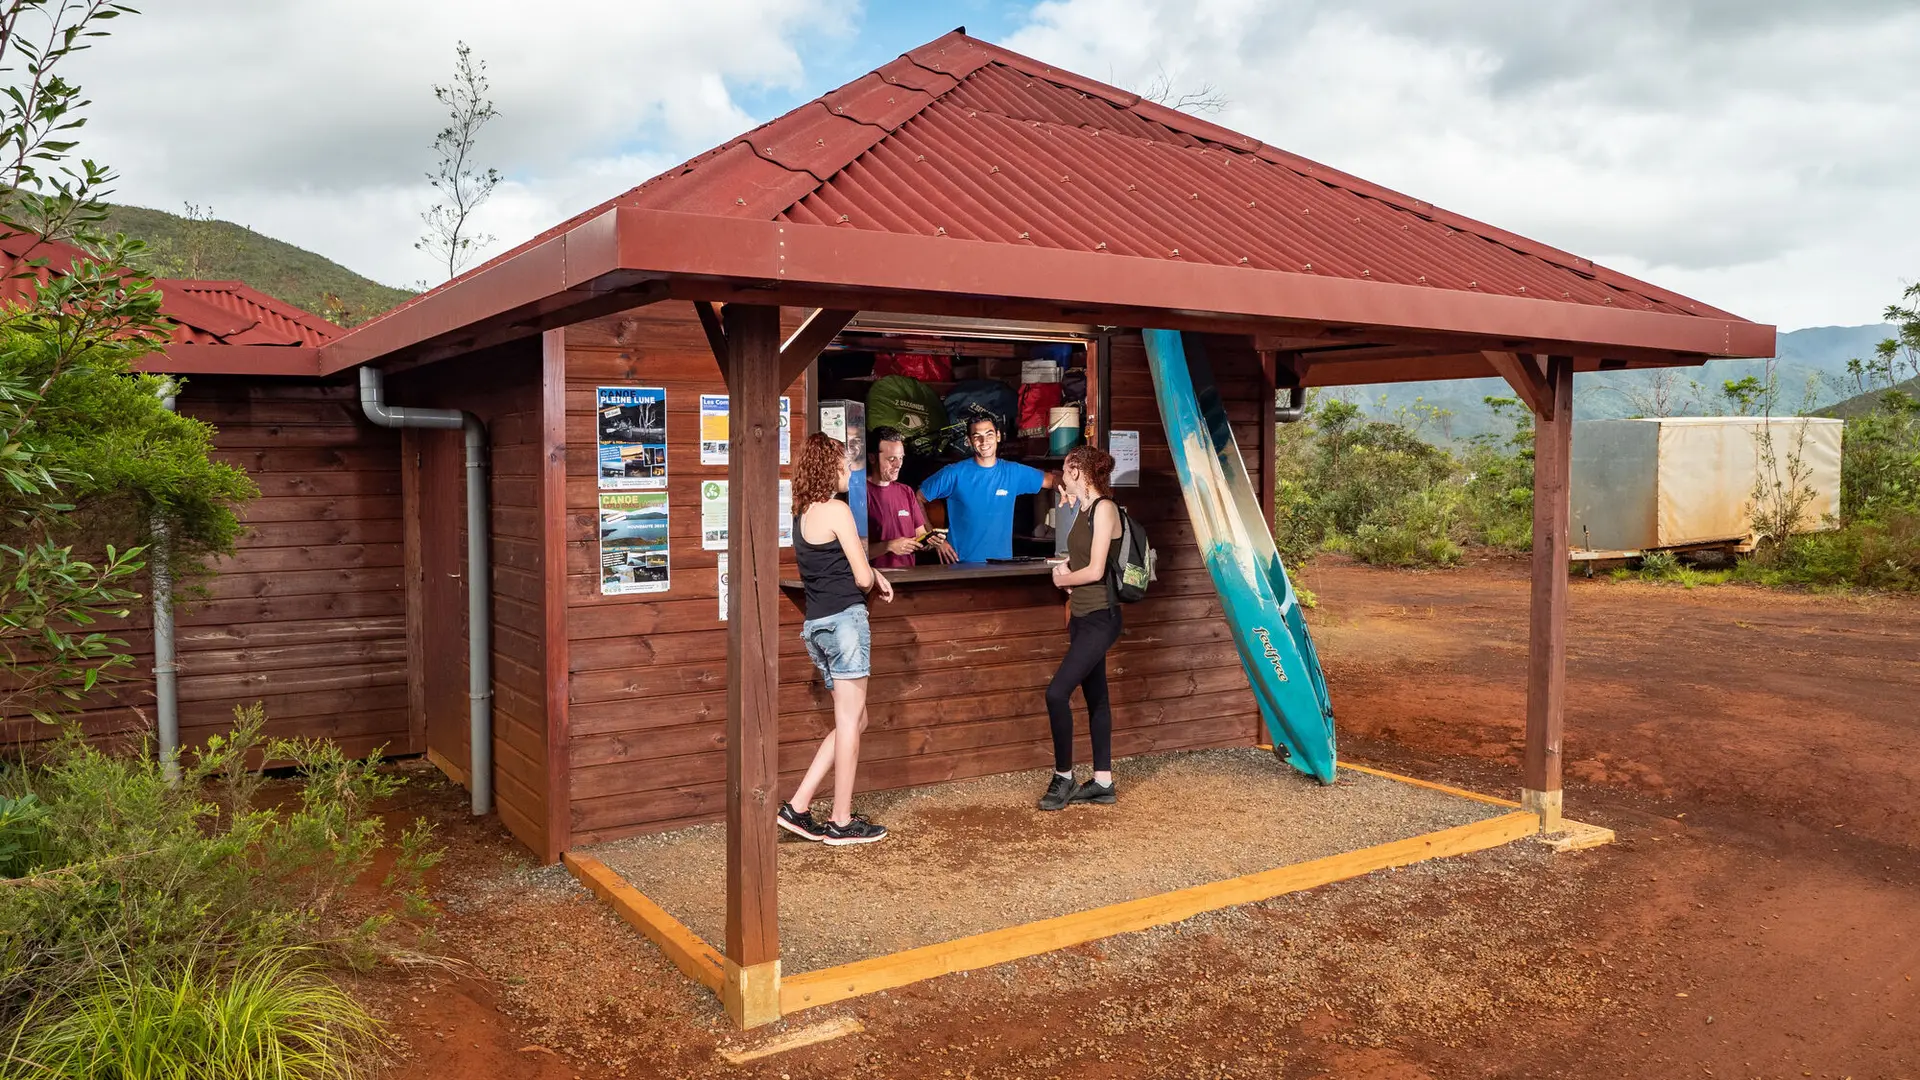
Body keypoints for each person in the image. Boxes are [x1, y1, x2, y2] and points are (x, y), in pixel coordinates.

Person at [777, 433, 894, 846]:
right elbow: (861, 577)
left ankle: (798, 806)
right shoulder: (837, 510)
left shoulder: (802, 515)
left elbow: (835, 568)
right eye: (845, 465)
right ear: (831, 469)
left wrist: (868, 572)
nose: (850, 472)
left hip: (817, 627)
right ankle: (841, 822)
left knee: (854, 720)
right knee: (850, 721)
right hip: (846, 623)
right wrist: (873, 575)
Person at [1038, 445, 1123, 811]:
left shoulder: (1104, 509)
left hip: (1102, 617)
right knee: (1096, 696)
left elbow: (1097, 571)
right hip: (1084, 615)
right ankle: (1103, 781)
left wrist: (1063, 580)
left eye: (1064, 470)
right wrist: (1067, 570)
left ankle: (1064, 777)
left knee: (1056, 694)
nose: (1060, 476)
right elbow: (1081, 557)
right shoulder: (1084, 509)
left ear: (1077, 470)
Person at [918, 415, 1059, 564]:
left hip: (1002, 566)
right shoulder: (953, 473)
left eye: (989, 434)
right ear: (969, 441)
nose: (984, 442)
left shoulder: (1013, 472)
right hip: (960, 565)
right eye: (977, 436)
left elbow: (1052, 480)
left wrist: (1070, 490)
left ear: (998, 436)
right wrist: (933, 538)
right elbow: (918, 498)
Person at [865, 426, 955, 569]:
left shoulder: (906, 492)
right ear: (872, 458)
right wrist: (889, 546)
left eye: (901, 458)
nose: (898, 465)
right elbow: (851, 552)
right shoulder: (861, 494)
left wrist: (930, 542)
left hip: (907, 579)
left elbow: (920, 537)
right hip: (875, 580)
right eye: (891, 459)